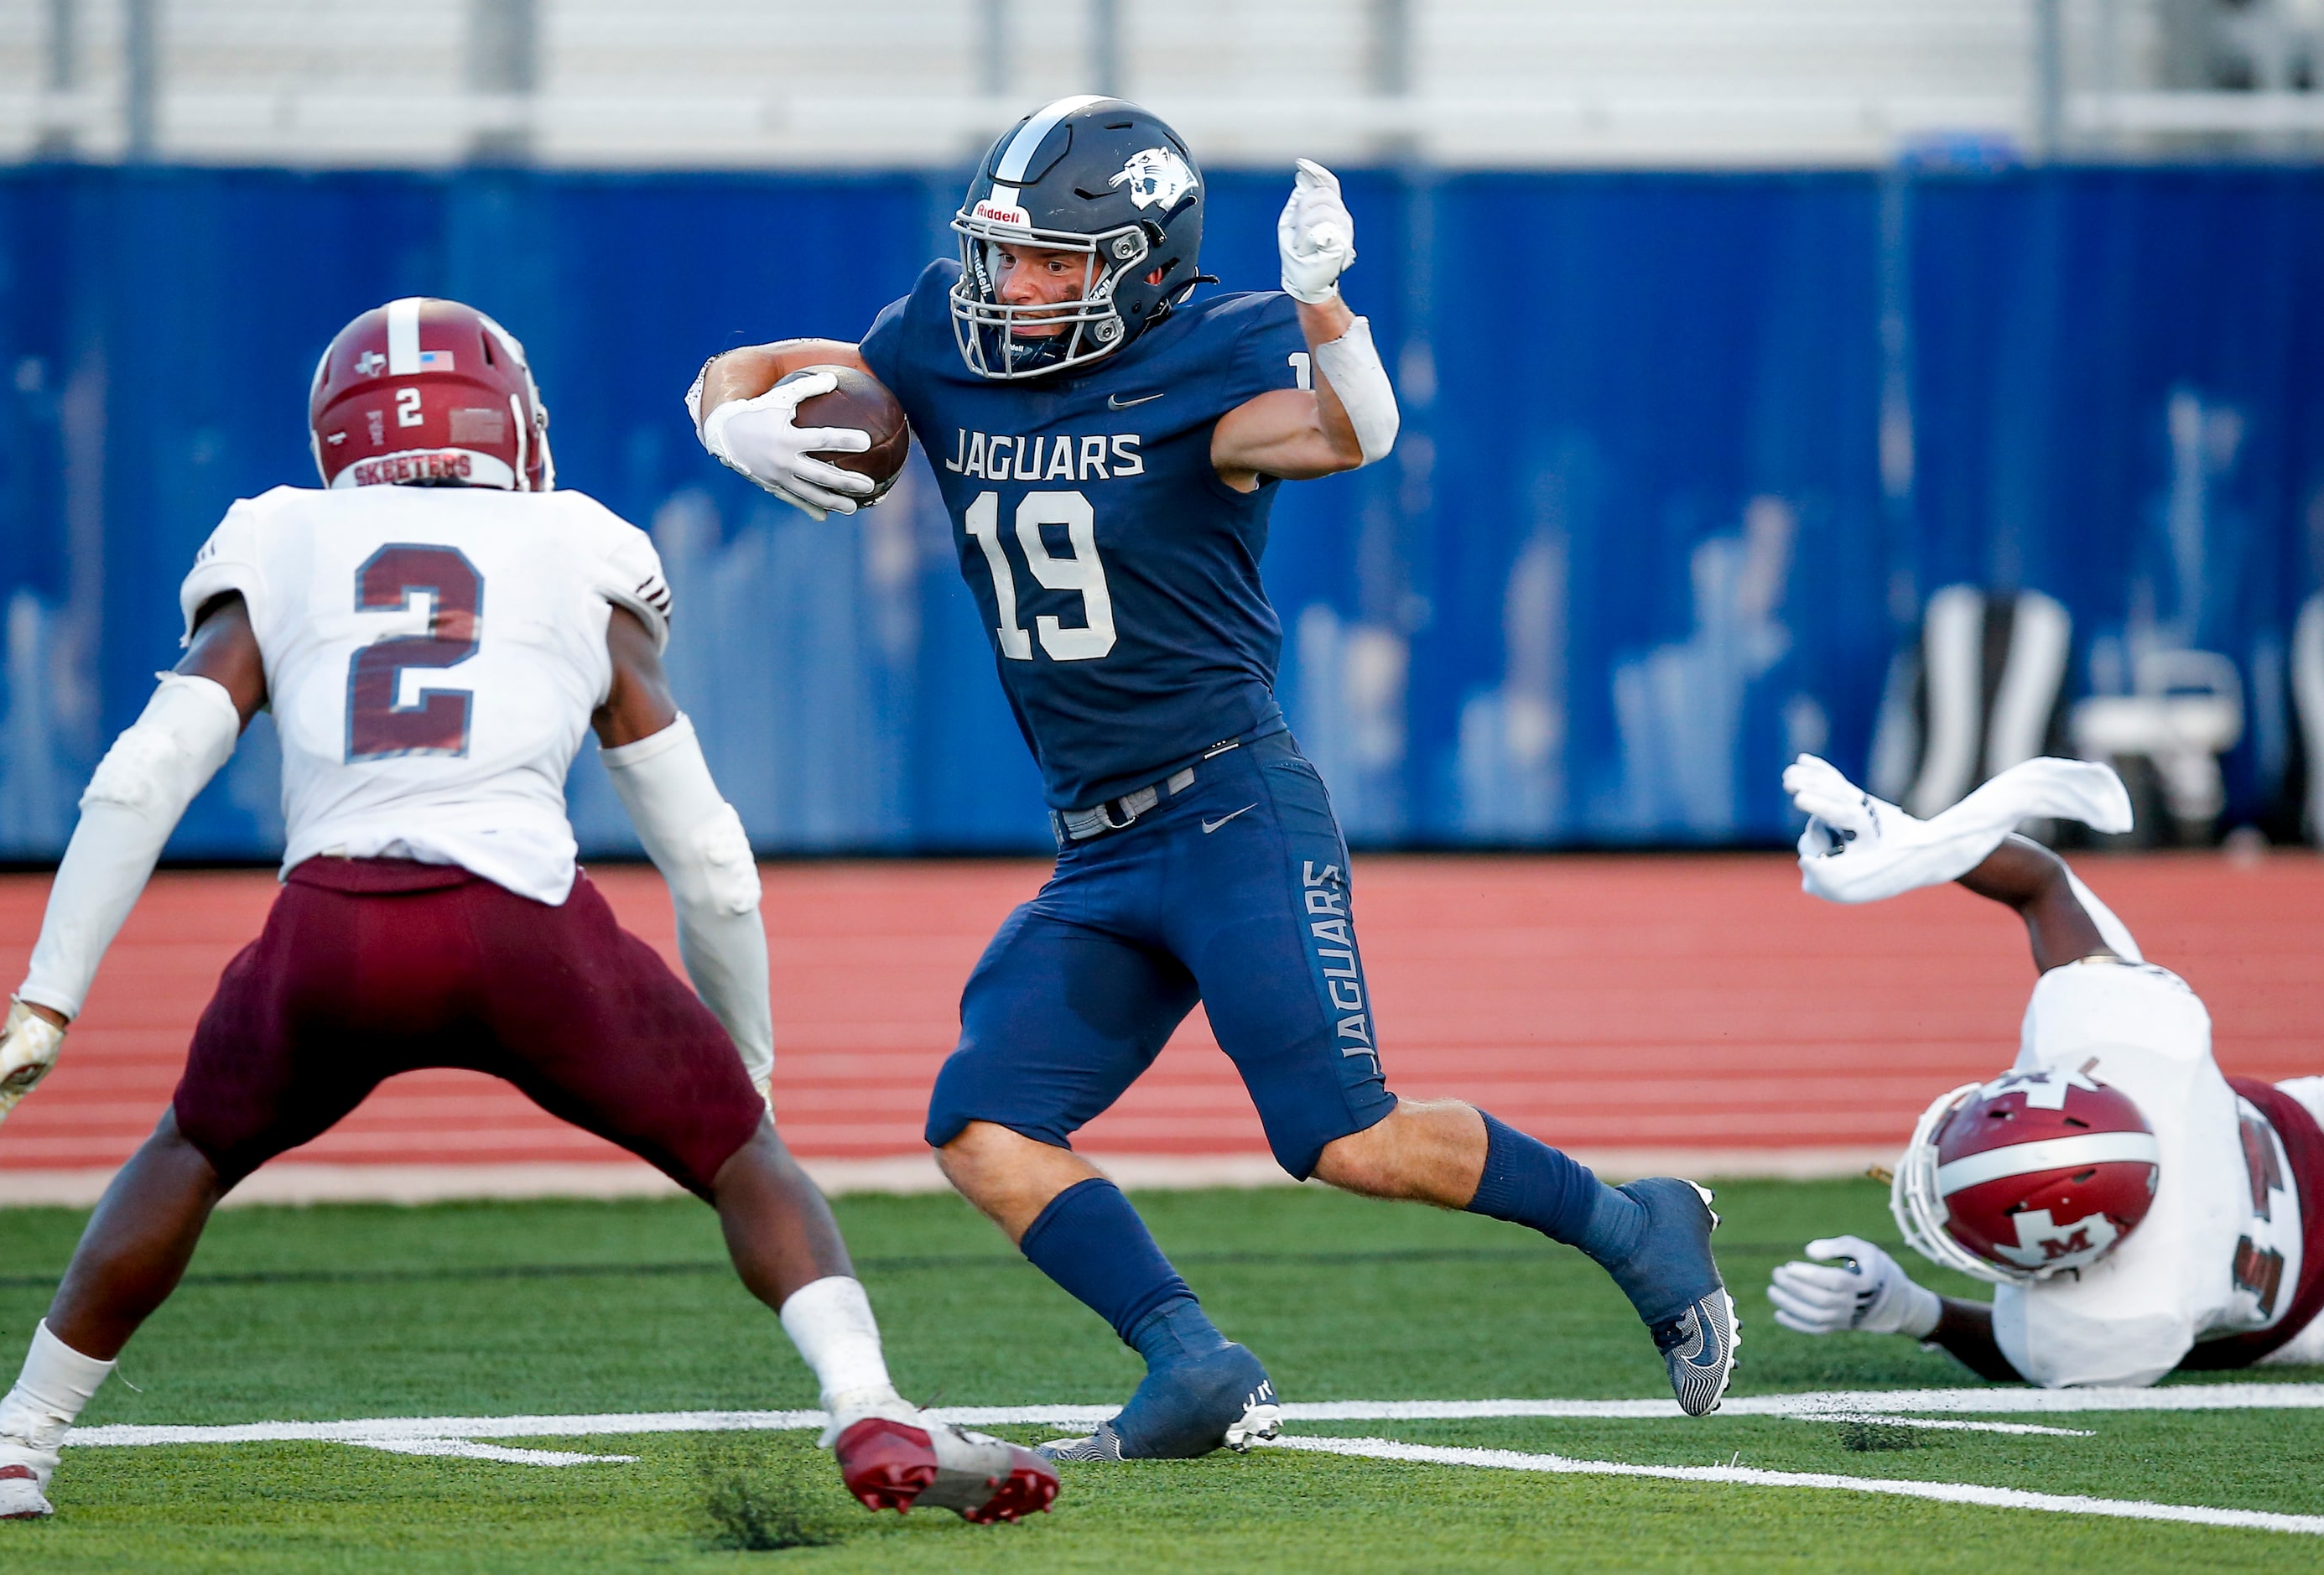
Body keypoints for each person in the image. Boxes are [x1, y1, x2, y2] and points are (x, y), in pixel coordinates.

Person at [686, 96, 1738, 1461]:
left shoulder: (1214, 358)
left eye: (1054, 261)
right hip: (1099, 848)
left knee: (1343, 1139)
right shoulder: (949, 339)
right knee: (983, 1123)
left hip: (1231, 808)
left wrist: (1327, 308)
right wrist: (729, 422)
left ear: (1143, 261)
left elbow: (1351, 434)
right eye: (1003, 254)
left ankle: (1630, 1217)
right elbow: (757, 358)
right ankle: (1192, 1357)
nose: (1014, 286)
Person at [0, 297, 1057, 1526]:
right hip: (527, 929)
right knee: (744, 1164)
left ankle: (18, 1447)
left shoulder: (280, 535)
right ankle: (866, 1401)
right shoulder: (577, 541)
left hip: (332, 930)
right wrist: (749, 1077)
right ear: (506, 420)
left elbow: (142, 776)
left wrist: (43, 1006)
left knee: (189, 1152)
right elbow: (711, 859)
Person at [1766, 753, 2324, 1385]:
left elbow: (2018, 1353)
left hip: (2307, 1315)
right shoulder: (2130, 1041)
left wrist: (1914, 1310)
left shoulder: (2114, 1323)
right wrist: (1911, 840)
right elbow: (2042, 884)